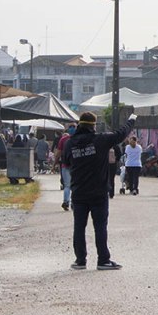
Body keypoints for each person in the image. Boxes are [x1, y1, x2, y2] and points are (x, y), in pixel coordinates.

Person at [64, 111, 136, 271]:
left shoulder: (70, 143)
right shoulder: (100, 140)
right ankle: (103, 260)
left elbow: (66, 162)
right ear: (93, 126)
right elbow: (121, 133)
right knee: (100, 227)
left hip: (79, 192)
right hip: (98, 193)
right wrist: (131, 120)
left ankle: (80, 260)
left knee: (79, 227)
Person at [55, 124, 76, 211]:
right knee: (74, 185)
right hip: (76, 165)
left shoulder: (63, 139)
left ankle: (66, 201)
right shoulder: (78, 138)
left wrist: (54, 163)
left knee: (67, 185)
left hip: (65, 165)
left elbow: (59, 153)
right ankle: (73, 203)